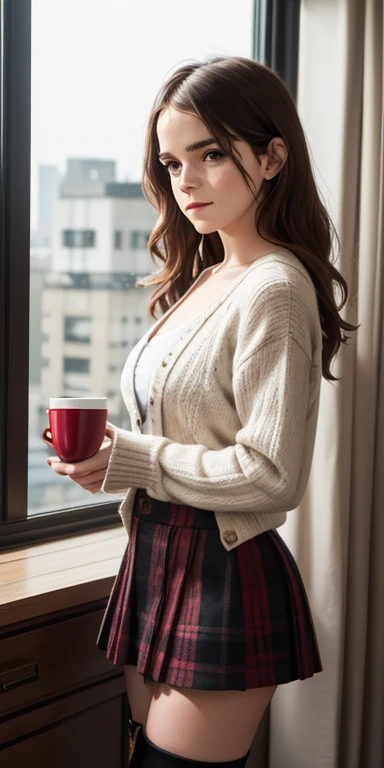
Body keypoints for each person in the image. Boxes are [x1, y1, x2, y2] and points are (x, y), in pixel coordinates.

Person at [46, 55, 358, 767]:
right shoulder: (210, 275)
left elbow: (272, 474)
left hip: (223, 569)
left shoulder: (275, 287)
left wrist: (130, 459)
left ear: (273, 155)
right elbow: (182, 434)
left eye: (210, 154)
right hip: (155, 556)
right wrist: (108, 460)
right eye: (171, 162)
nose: (185, 180)